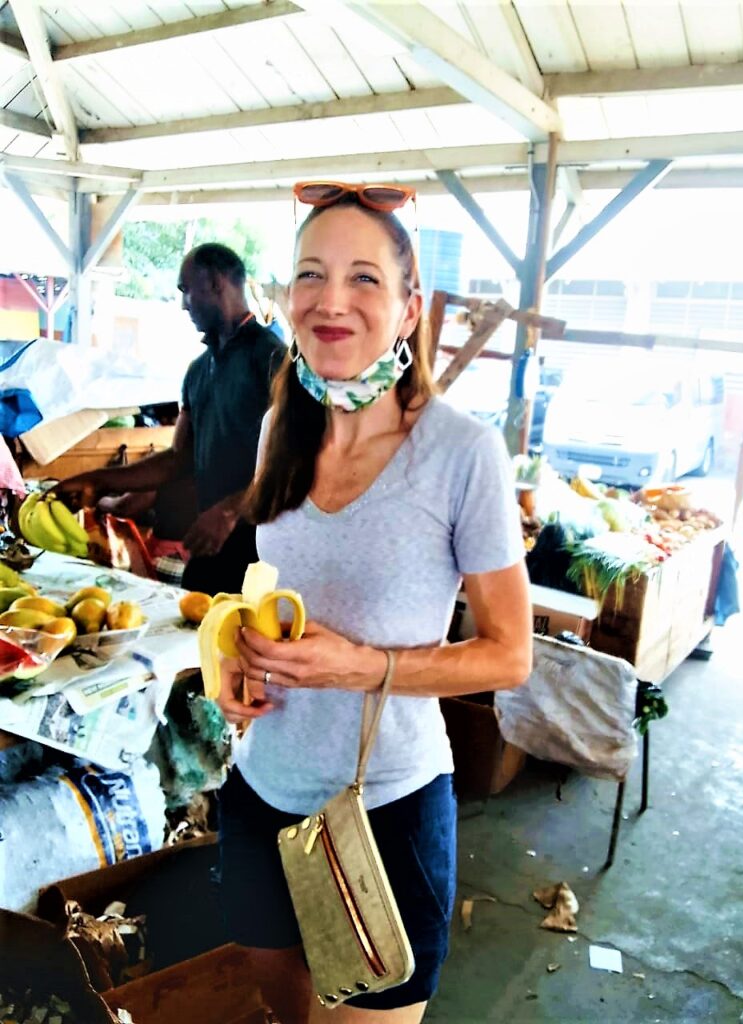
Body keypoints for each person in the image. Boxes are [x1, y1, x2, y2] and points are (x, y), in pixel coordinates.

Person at [215, 183, 533, 1024]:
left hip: (381, 810)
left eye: (364, 278)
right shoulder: (280, 424)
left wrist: (361, 666)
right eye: (311, 275)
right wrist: (232, 664)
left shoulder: (462, 452)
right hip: (258, 795)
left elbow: (509, 654)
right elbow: (270, 603)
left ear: (407, 308)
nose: (331, 300)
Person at [58, 243, 285, 594]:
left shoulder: (272, 358)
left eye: (186, 289)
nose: (183, 304)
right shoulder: (197, 372)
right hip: (210, 546)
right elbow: (179, 459)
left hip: (265, 553)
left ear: (215, 283)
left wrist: (228, 511)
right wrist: (98, 480)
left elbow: (296, 457)